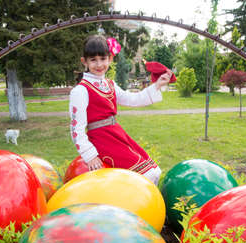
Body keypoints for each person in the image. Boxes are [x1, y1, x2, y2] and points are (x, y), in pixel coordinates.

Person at [69, 35, 172, 185]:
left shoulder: (109, 84)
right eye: (93, 60)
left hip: (116, 134)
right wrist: (90, 155)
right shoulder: (80, 90)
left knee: (152, 171)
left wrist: (157, 86)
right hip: (102, 140)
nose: (99, 64)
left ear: (110, 59)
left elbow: (132, 99)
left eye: (103, 59)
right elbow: (76, 129)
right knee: (143, 176)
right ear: (84, 61)